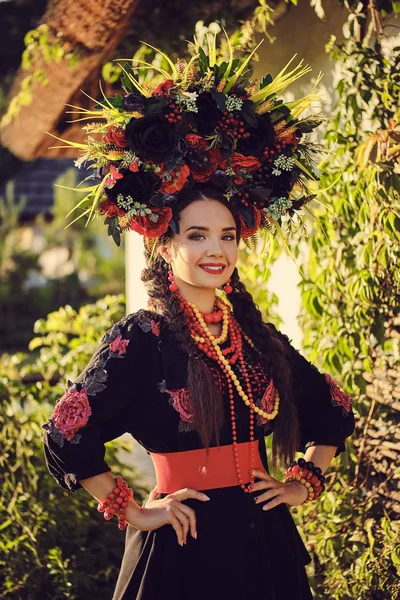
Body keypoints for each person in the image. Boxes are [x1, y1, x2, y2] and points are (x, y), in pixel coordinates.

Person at [42, 32, 356, 599]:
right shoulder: (144, 339)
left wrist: (303, 482)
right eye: (197, 235)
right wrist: (136, 512)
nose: (217, 250)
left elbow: (331, 406)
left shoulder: (254, 336)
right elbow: (68, 433)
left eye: (227, 235)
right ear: (165, 245)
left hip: (266, 550)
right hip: (184, 551)